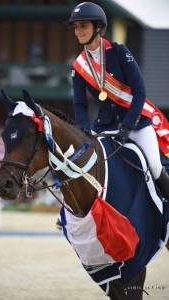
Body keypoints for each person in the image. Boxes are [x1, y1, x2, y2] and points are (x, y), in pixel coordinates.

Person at [64, 1, 169, 199]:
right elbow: (79, 103)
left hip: (136, 123)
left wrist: (127, 126)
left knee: (155, 166)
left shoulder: (120, 52)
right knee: (84, 166)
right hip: (105, 125)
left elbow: (139, 92)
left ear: (99, 27)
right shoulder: (79, 66)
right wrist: (84, 129)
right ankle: (72, 213)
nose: (78, 31)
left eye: (83, 26)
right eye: (76, 27)